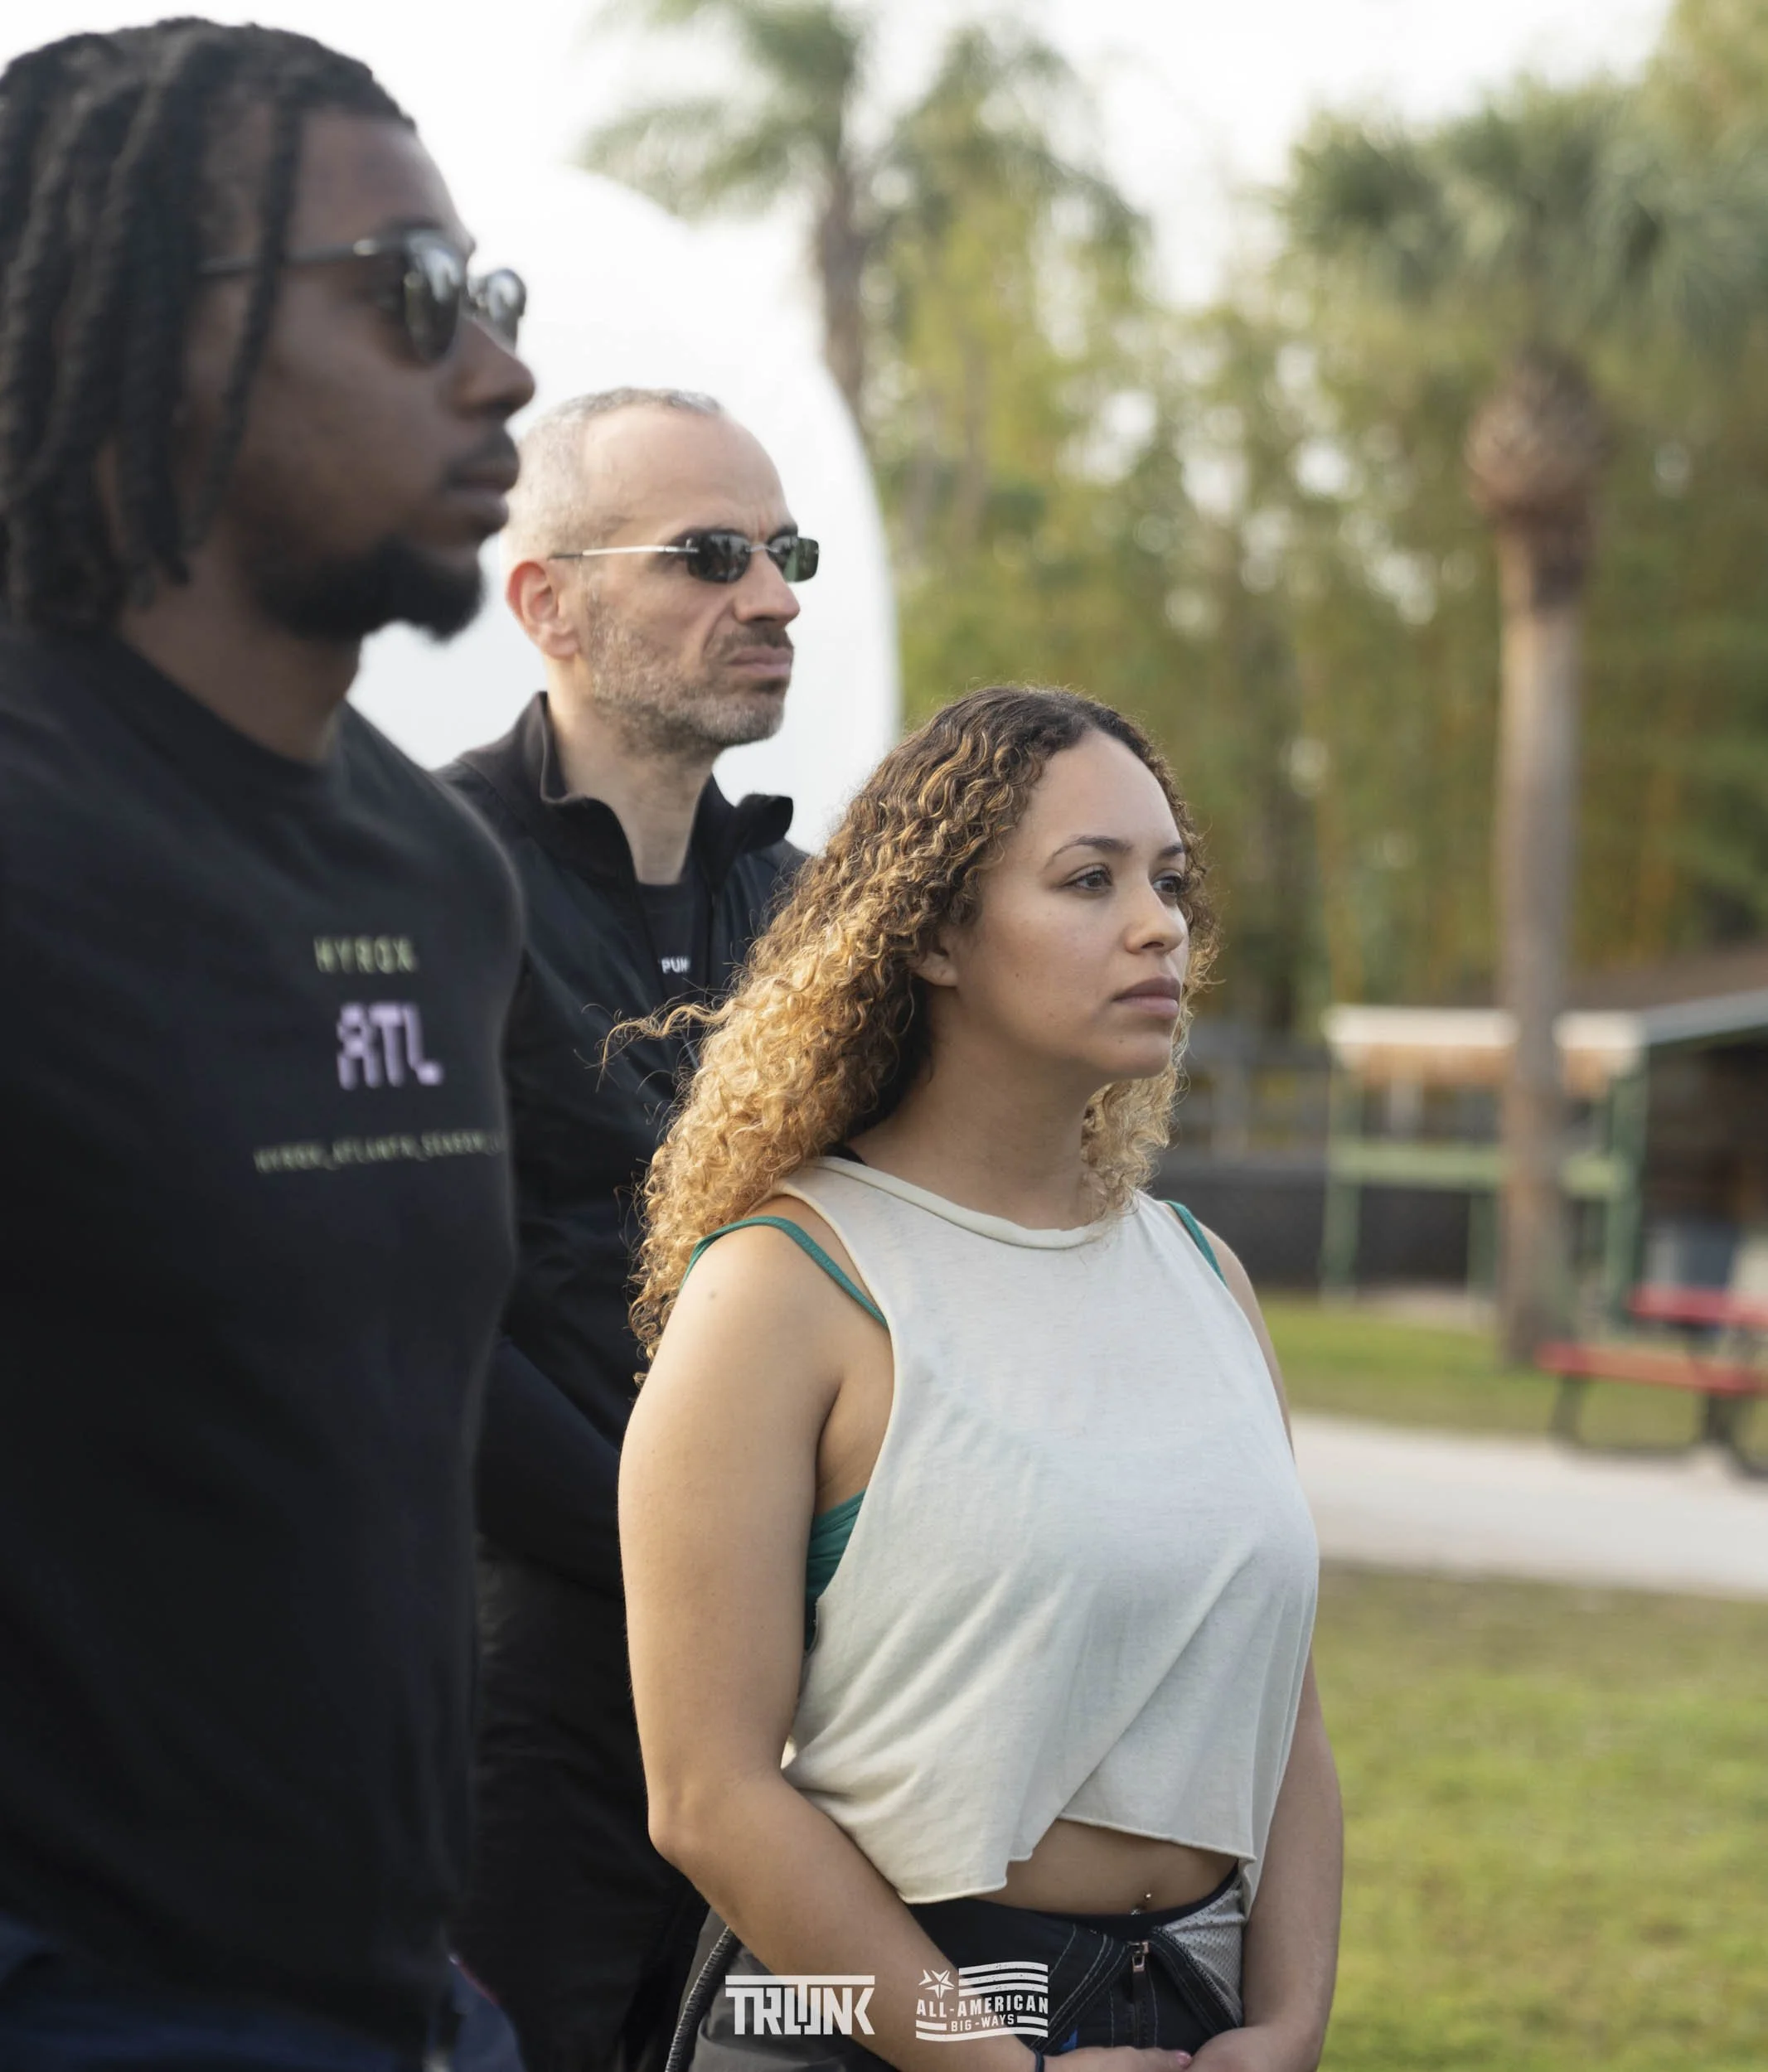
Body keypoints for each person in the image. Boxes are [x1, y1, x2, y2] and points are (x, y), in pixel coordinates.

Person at [0, 22, 535, 2071]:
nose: (491, 369)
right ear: (137, 329)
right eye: (406, 295)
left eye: (487, 299)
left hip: (410, 2009)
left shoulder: (436, 868)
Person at [621, 686, 1342, 2072]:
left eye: (1169, 880)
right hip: (877, 2018)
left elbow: (1288, 1716)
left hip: (1191, 2009)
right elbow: (708, 1797)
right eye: (1090, 881)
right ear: (938, 934)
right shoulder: (784, 1285)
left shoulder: (1204, 1275)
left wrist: (1287, 2024)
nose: (1161, 925)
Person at [439, 389, 814, 2072]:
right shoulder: (429, 875)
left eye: (784, 554)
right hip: (524, 1692)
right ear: (548, 604)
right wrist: (688, 1579)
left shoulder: (811, 908)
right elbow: (422, 1323)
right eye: (711, 556)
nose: (775, 595)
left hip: (802, 1702)